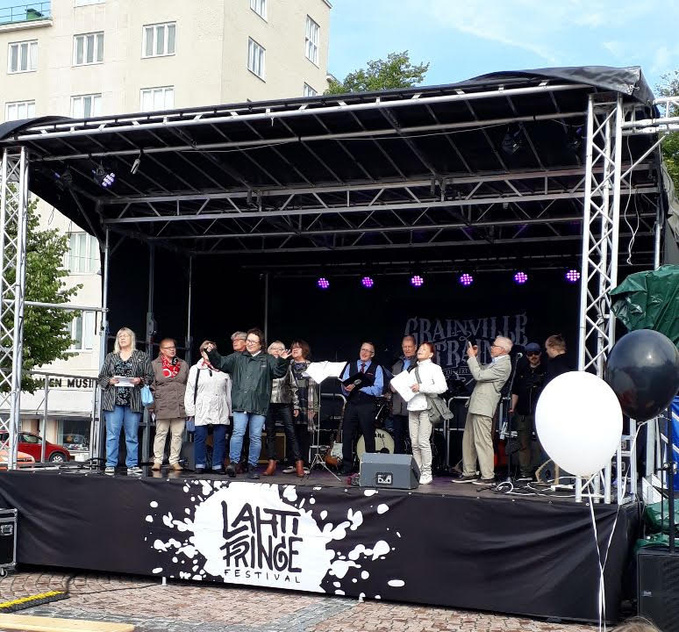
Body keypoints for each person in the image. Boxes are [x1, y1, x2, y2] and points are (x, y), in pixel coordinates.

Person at [205, 328, 289, 479]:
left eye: (253, 342)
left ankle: (252, 466)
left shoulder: (268, 359)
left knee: (255, 436)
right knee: (238, 432)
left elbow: (278, 372)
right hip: (241, 402)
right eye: (248, 341)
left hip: (259, 403)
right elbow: (221, 363)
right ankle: (234, 463)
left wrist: (282, 361)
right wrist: (212, 353)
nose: (249, 344)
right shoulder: (238, 357)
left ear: (261, 344)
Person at [454, 336, 513, 485]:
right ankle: (469, 472)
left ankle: (488, 475)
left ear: (503, 350)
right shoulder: (495, 362)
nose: (491, 347)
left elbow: (479, 375)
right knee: (468, 440)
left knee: (482, 441)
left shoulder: (504, 365)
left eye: (494, 346)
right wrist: (476, 357)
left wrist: (471, 357)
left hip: (484, 406)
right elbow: (481, 371)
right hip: (476, 404)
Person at [97, 327, 153, 476]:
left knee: (132, 435)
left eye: (125, 336)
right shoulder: (111, 356)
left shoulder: (141, 356)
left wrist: (140, 380)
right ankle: (110, 464)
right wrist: (109, 381)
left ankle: (132, 465)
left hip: (133, 401)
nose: (122, 338)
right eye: (119, 336)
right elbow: (101, 378)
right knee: (112, 435)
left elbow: (150, 377)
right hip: (113, 401)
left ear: (131, 338)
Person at [184, 340, 232, 474]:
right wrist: (190, 410)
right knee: (200, 437)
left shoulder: (223, 368)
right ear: (201, 352)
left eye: (212, 350)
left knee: (220, 438)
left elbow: (228, 392)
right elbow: (190, 390)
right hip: (202, 406)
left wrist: (230, 411)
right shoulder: (196, 369)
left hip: (220, 406)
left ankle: (217, 465)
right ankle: (200, 464)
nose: (208, 352)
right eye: (206, 350)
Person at [339, 341, 384, 475]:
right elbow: (344, 384)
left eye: (367, 351)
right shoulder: (351, 366)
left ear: (372, 354)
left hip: (367, 406)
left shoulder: (377, 368)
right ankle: (347, 466)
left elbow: (378, 389)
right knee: (347, 435)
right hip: (352, 404)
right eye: (362, 349)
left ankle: (370, 467)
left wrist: (359, 387)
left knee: (368, 436)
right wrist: (346, 388)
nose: (364, 353)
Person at [407, 342, 447, 485]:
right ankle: (417, 471)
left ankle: (427, 472)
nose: (420, 350)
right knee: (414, 443)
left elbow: (442, 387)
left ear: (431, 354)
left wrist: (421, 387)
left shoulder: (435, 368)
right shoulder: (412, 369)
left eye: (424, 349)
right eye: (420, 348)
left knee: (423, 441)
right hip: (412, 407)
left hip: (426, 407)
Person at [262, 341, 304, 478]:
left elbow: (294, 386)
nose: (276, 351)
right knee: (270, 433)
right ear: (269, 351)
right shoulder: (265, 364)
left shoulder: (287, 365)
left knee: (291, 432)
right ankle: (271, 462)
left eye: (279, 349)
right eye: (273, 348)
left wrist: (296, 405)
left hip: (285, 402)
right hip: (268, 402)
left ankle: (298, 462)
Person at [151, 338, 190, 471]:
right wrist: (151, 405)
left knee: (177, 434)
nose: (172, 350)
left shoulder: (183, 364)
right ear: (161, 350)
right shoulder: (155, 365)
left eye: (173, 347)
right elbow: (151, 386)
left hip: (180, 403)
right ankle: (157, 460)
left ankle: (174, 460)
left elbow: (188, 385)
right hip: (162, 403)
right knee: (161, 433)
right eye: (168, 348)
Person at [509, 342, 546, 481]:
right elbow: (515, 391)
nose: (533, 356)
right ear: (526, 355)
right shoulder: (521, 369)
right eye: (530, 354)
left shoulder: (546, 369)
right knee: (523, 443)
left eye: (536, 353)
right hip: (523, 411)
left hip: (540, 413)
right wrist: (513, 407)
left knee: (543, 443)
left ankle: (544, 471)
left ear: (540, 353)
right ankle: (525, 472)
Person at [287, 339, 319, 473]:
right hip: (290, 402)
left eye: (298, 347)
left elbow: (315, 389)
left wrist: (314, 407)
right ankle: (292, 463)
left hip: (307, 402)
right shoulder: (288, 365)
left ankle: (304, 463)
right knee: (291, 432)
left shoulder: (311, 366)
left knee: (304, 434)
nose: (294, 349)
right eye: (293, 347)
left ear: (304, 350)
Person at [390, 335, 417, 454]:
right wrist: (391, 387)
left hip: (413, 408)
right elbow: (391, 383)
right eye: (405, 347)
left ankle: (415, 464)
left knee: (414, 441)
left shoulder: (419, 363)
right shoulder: (396, 364)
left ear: (415, 347)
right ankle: (398, 464)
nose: (407, 349)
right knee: (398, 440)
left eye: (409, 347)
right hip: (398, 408)